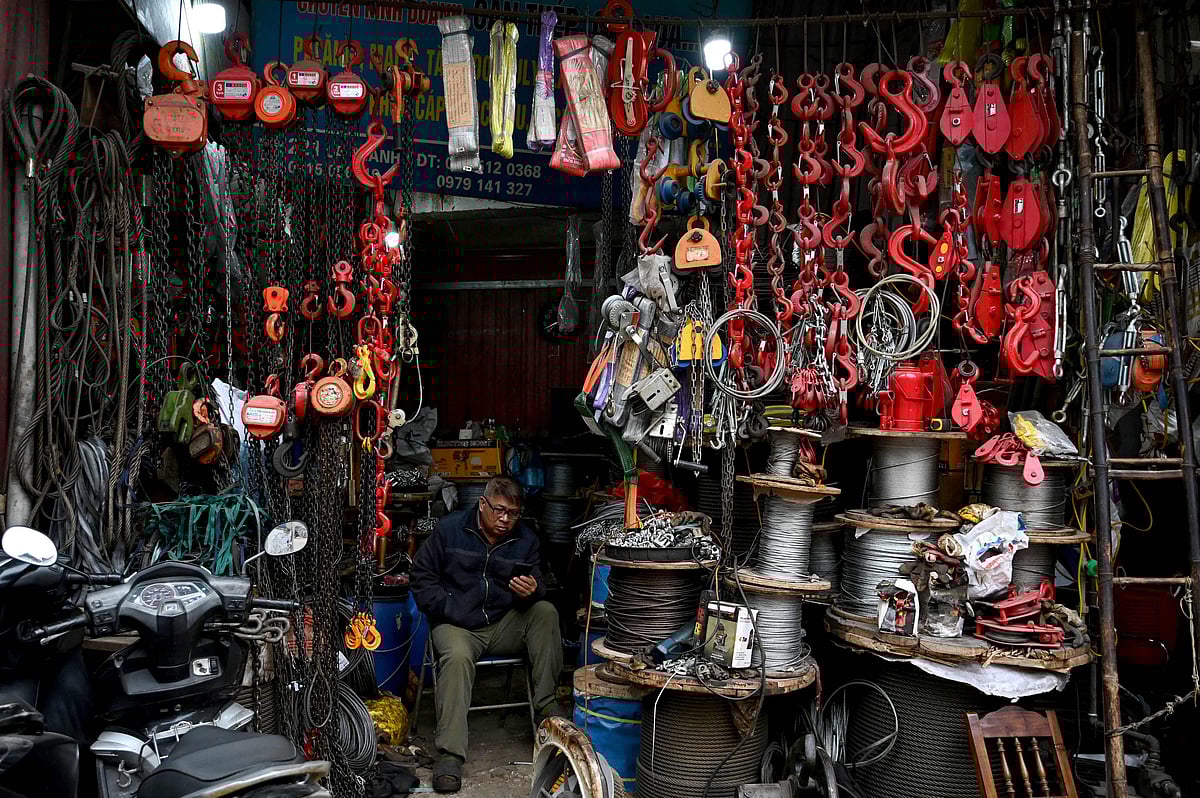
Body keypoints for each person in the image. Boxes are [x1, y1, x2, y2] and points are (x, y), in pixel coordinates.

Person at [410, 476, 563, 793]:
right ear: (483, 504)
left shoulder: (526, 539)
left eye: (513, 513)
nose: (506, 519)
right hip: (457, 625)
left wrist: (532, 592)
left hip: (502, 622)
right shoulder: (450, 529)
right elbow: (421, 578)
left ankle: (547, 710)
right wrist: (449, 609)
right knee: (456, 657)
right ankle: (451, 754)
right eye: (499, 510)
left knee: (546, 612)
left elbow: (541, 583)